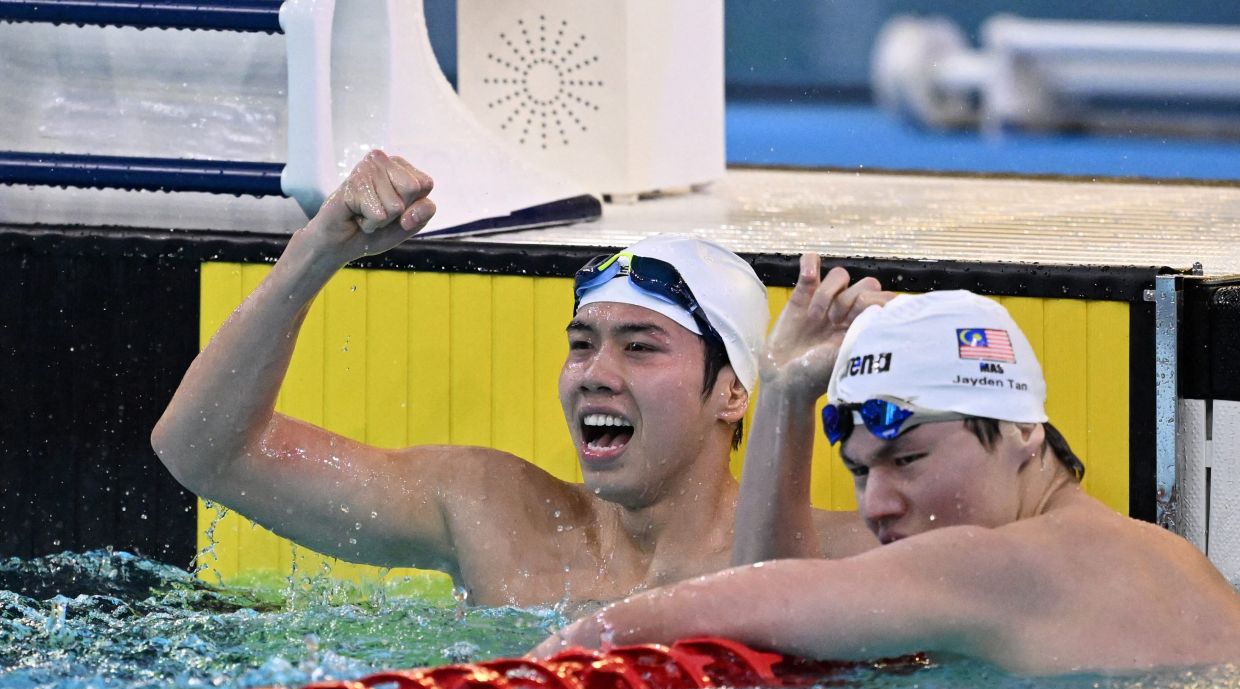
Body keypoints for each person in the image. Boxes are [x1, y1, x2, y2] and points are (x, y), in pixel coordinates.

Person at [151, 152, 874, 607]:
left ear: (735, 391)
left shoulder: (840, 558)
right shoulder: (494, 517)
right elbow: (206, 454)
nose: (594, 373)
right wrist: (315, 255)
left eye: (640, 346)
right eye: (582, 343)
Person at [535, 258, 1240, 672]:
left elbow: (737, 605)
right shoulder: (1156, 557)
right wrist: (784, 391)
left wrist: (542, 664)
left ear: (1025, 430)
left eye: (909, 459)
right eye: (863, 471)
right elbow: (790, 630)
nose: (878, 504)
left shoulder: (1003, 565)